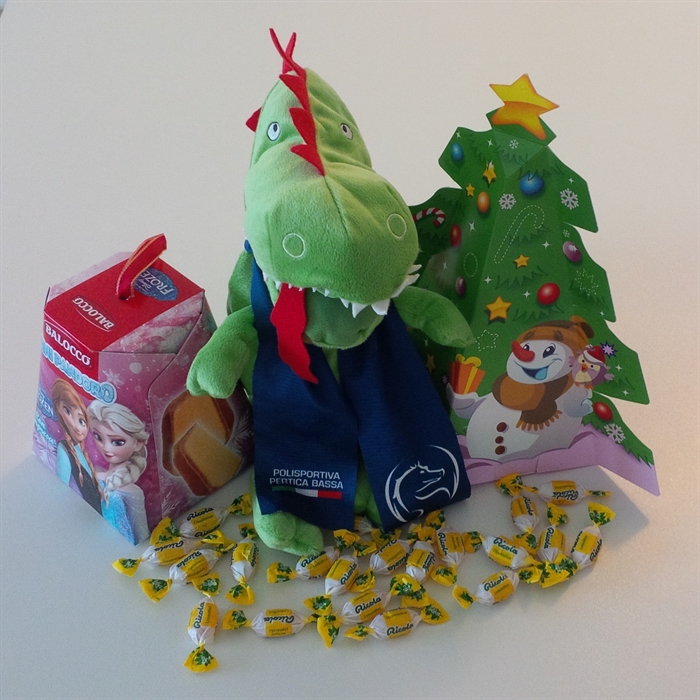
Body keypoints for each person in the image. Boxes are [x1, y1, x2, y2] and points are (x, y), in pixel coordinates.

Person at [88, 401, 150, 544]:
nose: (106, 448)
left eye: (117, 442)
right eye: (98, 437)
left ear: (137, 443)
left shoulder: (133, 492)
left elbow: (141, 535)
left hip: (118, 545)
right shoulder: (94, 472)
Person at [51, 379, 103, 514]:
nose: (76, 426)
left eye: (81, 421)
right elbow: (61, 490)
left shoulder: (81, 451)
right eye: (68, 411)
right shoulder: (65, 450)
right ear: (59, 410)